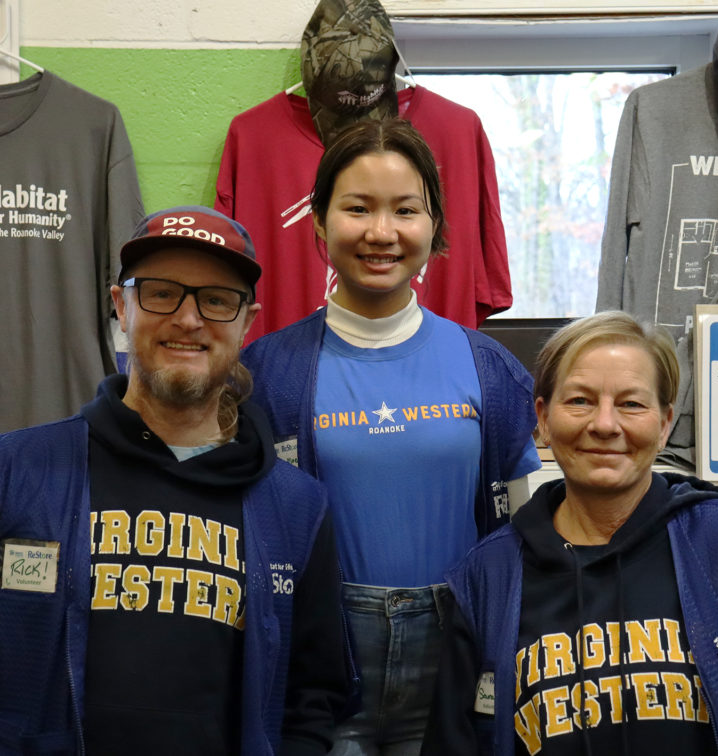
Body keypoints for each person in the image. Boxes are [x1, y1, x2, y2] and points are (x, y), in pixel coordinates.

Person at [0, 206, 350, 755]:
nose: (187, 319)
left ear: (247, 321)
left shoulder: (296, 509)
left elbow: (311, 700)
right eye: (160, 292)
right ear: (120, 305)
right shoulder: (14, 473)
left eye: (217, 300)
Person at [421, 310, 718, 755]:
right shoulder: (489, 578)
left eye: (631, 404)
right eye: (579, 400)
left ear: (664, 425)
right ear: (542, 418)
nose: (604, 424)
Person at [242, 118, 542, 754]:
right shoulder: (266, 374)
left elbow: (526, 541)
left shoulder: (490, 371)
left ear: (434, 228)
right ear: (320, 225)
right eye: (357, 208)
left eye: (406, 210)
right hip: (319, 672)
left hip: (456, 665)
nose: (381, 232)